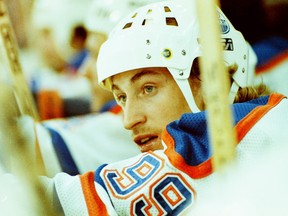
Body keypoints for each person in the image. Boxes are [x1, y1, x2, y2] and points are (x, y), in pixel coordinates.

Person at [2, 0, 288, 215]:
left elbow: (52, 201)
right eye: (122, 97)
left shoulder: (242, 132)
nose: (128, 120)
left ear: (213, 79)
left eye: (148, 89)